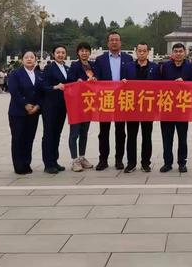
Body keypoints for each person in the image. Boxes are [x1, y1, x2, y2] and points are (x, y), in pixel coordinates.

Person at [94, 31, 134, 171]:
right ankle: (103, 159)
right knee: (103, 131)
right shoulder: (100, 60)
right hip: (106, 98)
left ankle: (119, 159)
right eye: (112, 40)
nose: (114, 42)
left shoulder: (128, 58)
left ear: (120, 42)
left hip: (122, 99)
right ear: (108, 43)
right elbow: (96, 79)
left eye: (117, 40)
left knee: (120, 131)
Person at [160, 43, 192, 173]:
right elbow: (158, 85)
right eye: (176, 51)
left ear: (184, 52)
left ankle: (182, 163)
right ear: (172, 53)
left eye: (180, 51)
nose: (178, 53)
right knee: (167, 137)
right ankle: (167, 163)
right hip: (167, 107)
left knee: (182, 138)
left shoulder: (190, 68)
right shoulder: (165, 67)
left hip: (182, 108)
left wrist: (184, 84)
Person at [124, 42, 160, 173]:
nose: (142, 53)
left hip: (147, 106)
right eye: (139, 51)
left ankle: (146, 163)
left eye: (144, 51)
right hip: (132, 106)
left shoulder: (155, 68)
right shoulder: (128, 67)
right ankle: (131, 163)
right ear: (136, 52)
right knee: (131, 136)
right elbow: (122, 84)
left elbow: (160, 86)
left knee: (147, 136)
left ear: (148, 52)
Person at [8, 51, 43, 174]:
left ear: (36, 60)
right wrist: (25, 104)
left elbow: (42, 92)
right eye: (26, 57)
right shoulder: (15, 74)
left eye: (32, 57)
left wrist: (38, 106)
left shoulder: (39, 74)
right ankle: (18, 166)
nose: (29, 59)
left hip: (33, 112)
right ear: (22, 60)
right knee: (18, 139)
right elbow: (14, 91)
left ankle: (26, 163)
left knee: (29, 139)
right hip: (18, 112)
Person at [67, 42, 96, 172]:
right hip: (76, 104)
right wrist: (76, 81)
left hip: (88, 103)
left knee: (84, 132)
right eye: (82, 50)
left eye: (86, 50)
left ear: (90, 52)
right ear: (78, 53)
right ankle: (74, 160)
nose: (84, 53)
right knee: (74, 133)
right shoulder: (74, 65)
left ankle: (82, 157)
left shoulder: (93, 66)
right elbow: (69, 80)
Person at [41, 45, 70, 174]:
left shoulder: (67, 68)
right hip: (50, 106)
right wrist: (55, 87)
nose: (60, 55)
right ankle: (48, 163)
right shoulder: (49, 68)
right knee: (49, 134)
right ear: (53, 54)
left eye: (63, 53)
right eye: (58, 52)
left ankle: (54, 161)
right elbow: (43, 86)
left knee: (56, 134)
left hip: (62, 106)